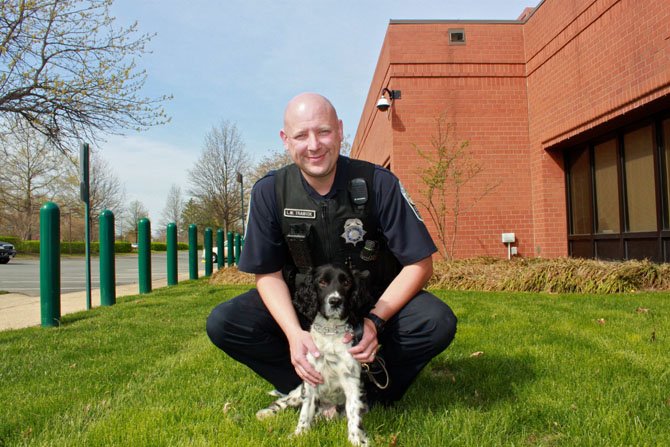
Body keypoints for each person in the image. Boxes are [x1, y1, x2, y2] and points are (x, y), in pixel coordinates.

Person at [206, 92, 457, 405]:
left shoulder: (379, 183)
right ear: (286, 140)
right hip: (306, 308)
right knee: (226, 322)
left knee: (436, 321)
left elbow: (420, 262)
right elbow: (267, 273)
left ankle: (374, 388)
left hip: (371, 303)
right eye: (301, 135)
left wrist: (375, 321)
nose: (314, 145)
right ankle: (305, 386)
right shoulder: (270, 191)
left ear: (340, 130)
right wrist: (293, 334)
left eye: (323, 131)